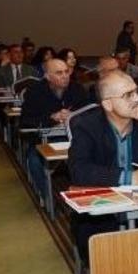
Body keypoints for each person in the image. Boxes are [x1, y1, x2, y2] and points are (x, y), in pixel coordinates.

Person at [68, 70, 138, 261]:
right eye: (128, 95)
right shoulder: (86, 125)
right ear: (107, 104)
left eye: (137, 92)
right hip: (101, 212)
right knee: (112, 259)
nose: (137, 99)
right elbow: (79, 171)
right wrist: (130, 177)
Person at [22, 59, 91, 199]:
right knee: (34, 162)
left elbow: (90, 115)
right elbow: (25, 122)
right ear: (47, 76)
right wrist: (52, 117)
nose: (65, 76)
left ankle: (86, 196)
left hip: (75, 139)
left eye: (67, 72)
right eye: (59, 73)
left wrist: (73, 116)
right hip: (44, 140)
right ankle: (49, 199)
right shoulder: (34, 91)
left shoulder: (77, 89)